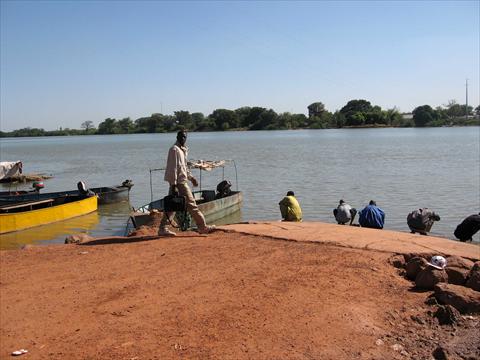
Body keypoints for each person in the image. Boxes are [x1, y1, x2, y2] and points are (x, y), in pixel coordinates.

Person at [158, 130, 215, 236]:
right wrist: (174, 185)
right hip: (179, 184)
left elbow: (184, 167)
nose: (183, 138)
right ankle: (202, 227)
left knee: (172, 206)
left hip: (181, 182)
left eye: (185, 137)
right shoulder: (174, 150)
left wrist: (191, 178)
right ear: (177, 137)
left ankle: (162, 228)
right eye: (181, 136)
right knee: (192, 205)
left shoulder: (182, 150)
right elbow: (173, 168)